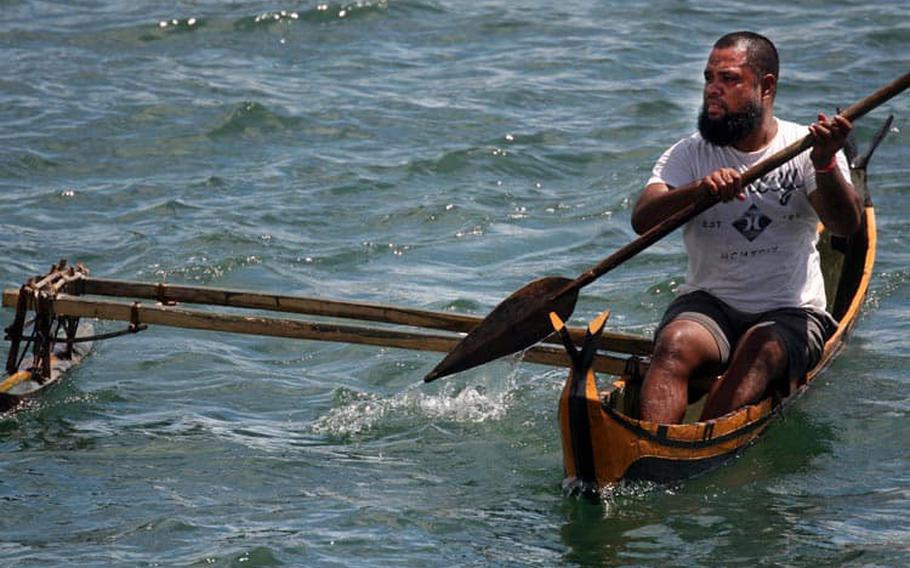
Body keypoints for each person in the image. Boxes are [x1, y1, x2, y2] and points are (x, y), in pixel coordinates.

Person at [630, 31, 862, 424]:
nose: (712, 90)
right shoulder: (689, 154)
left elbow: (845, 226)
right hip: (711, 305)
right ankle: (651, 443)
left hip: (790, 311)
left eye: (729, 79)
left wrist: (824, 164)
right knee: (673, 344)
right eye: (708, 79)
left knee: (759, 349)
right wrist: (697, 191)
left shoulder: (807, 147)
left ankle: (700, 448)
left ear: (765, 86)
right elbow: (643, 220)